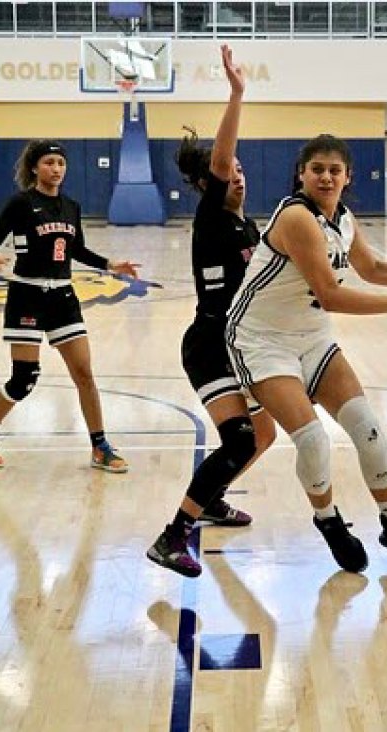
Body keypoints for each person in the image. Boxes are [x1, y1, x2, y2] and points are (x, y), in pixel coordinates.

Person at [226, 133, 387, 574]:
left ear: (348, 176)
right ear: (301, 174)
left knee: (368, 427)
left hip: (311, 337)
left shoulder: (342, 218)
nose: (326, 177)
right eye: (317, 169)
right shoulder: (296, 218)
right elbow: (329, 293)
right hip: (261, 339)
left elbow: (372, 267)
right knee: (313, 439)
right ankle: (328, 520)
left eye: (334, 170)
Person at [146, 45, 276, 578]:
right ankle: (172, 534)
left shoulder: (250, 229)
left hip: (241, 346)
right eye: (229, 170)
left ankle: (213, 498)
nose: (237, 174)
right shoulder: (210, 218)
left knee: (262, 437)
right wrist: (237, 93)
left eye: (242, 168)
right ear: (206, 184)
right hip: (209, 345)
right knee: (241, 439)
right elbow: (220, 160)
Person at [0, 139, 139, 473]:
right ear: (34, 167)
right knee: (24, 379)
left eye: (60, 163)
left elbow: (76, 249)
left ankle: (100, 446)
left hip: (63, 298)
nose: (56, 169)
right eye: (48, 163)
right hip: (27, 295)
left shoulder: (71, 206)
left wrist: (109, 263)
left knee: (84, 373)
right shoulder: (20, 203)